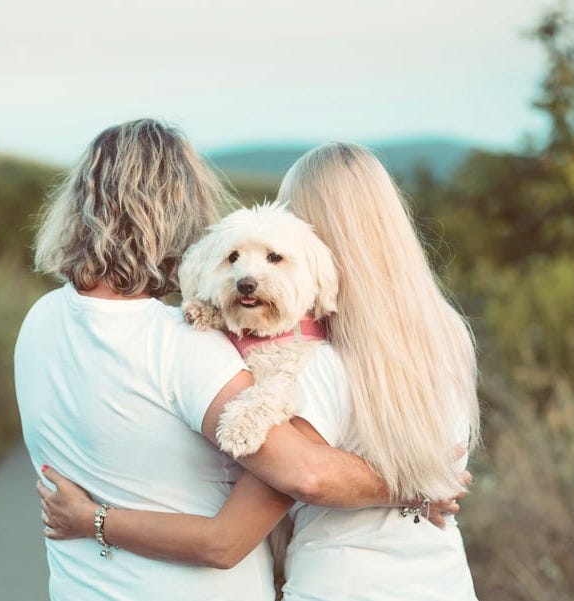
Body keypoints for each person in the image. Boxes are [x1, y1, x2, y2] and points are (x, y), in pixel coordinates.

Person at [39, 141, 480, 600]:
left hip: (340, 584)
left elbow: (234, 532)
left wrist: (95, 520)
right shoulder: (448, 333)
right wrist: (424, 484)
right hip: (443, 580)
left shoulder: (316, 365)